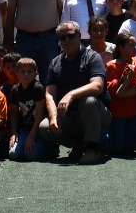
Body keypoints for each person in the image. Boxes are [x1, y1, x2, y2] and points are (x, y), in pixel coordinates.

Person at [41, 21, 110, 164]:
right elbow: (49, 94)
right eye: (62, 38)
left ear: (79, 36)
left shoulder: (92, 57)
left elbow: (97, 86)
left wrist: (70, 95)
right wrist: (53, 117)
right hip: (70, 117)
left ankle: (93, 148)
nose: (67, 40)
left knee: (88, 101)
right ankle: (79, 143)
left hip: (97, 114)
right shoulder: (55, 62)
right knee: (44, 127)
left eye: (71, 36)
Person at [105, 31, 136, 156]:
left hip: (134, 112)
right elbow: (110, 90)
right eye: (131, 45)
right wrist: (123, 79)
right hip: (118, 114)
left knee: (129, 149)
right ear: (121, 48)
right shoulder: (112, 65)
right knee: (117, 149)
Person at [7, 57, 49, 161]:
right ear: (17, 74)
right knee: (13, 154)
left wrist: (31, 136)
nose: (26, 74)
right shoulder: (15, 90)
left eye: (30, 71)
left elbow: (39, 115)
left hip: (38, 129)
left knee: (31, 154)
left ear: (36, 73)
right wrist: (14, 133)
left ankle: (51, 148)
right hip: (25, 128)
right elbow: (14, 113)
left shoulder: (37, 88)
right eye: (22, 72)